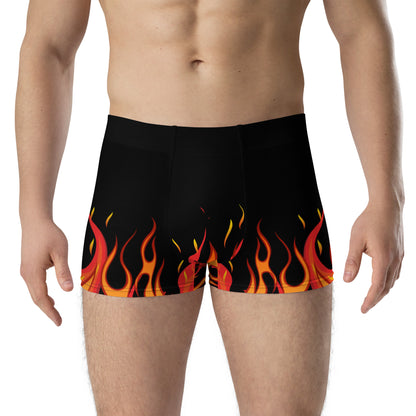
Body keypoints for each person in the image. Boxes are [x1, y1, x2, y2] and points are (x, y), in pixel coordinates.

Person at [15, 0, 405, 414]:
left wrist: (387, 196)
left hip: (274, 188)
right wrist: (33, 212)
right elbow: (49, 46)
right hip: (136, 191)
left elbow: (362, 32)